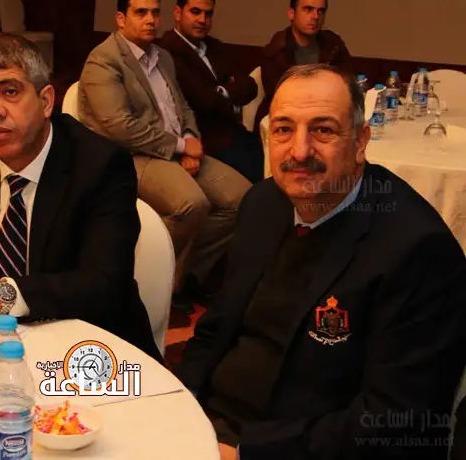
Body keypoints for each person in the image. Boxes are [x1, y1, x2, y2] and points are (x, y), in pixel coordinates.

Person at [175, 64, 466, 460]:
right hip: (208, 426)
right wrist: (177, 402)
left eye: (323, 130)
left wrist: (243, 452)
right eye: (284, 129)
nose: (299, 151)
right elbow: (216, 328)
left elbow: (392, 421)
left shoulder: (417, 250)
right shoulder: (263, 203)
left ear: (360, 142)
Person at [0, 33, 161, 361]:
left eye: (10, 92)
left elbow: (102, 284)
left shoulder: (100, 165)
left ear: (46, 101)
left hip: (89, 350)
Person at [79, 0, 250, 302]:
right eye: (140, 12)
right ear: (121, 19)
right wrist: (180, 146)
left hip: (174, 149)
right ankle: (150, 284)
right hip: (128, 156)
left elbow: (182, 108)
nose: (150, 20)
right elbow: (120, 127)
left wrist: (191, 139)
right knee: (192, 205)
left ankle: (181, 275)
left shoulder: (162, 57)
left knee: (243, 200)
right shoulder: (104, 60)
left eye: (155, 13)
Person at [158, 0, 262, 183]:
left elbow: (250, 86)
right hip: (204, 140)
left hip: (235, 132)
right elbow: (202, 100)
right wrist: (229, 91)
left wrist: (221, 91)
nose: (202, 20)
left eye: (208, 14)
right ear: (178, 13)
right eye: (195, 12)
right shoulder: (167, 51)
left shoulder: (215, 47)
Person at [256, 0, 352, 130]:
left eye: (321, 11)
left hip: (329, 116)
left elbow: (348, 81)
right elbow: (281, 98)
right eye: (308, 9)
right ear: (291, 14)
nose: (315, 17)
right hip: (285, 122)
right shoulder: (276, 50)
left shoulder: (333, 45)